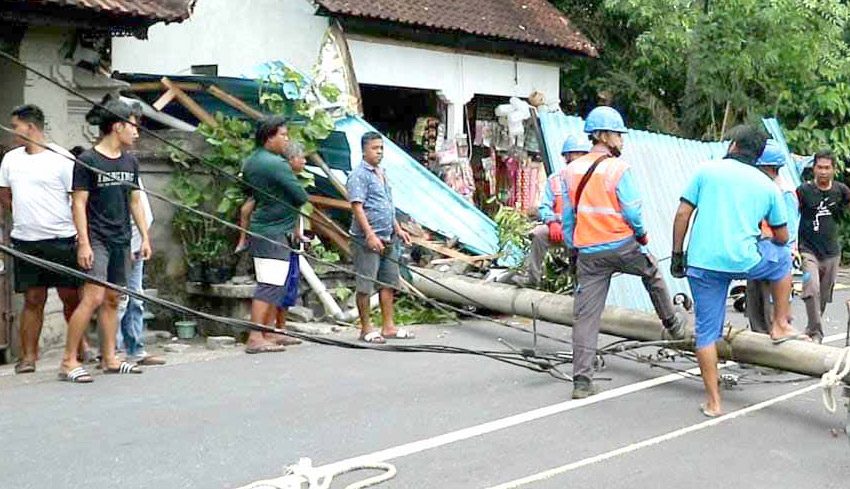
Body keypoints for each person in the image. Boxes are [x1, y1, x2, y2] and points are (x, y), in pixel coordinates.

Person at [671, 124, 808, 417]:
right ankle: (780, 323)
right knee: (782, 259)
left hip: (702, 263)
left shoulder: (706, 170)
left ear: (733, 145)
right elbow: (784, 238)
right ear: (759, 156)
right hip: (743, 261)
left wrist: (677, 254)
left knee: (707, 334)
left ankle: (714, 402)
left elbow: (683, 212)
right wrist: (764, 236)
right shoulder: (767, 187)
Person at [561, 106, 686, 399]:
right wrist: (642, 236)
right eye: (619, 134)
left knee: (586, 316)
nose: (622, 140)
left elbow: (568, 217)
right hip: (621, 245)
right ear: (606, 135)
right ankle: (672, 323)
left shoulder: (570, 171)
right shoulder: (619, 168)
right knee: (652, 273)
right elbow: (632, 211)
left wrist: (573, 248)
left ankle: (581, 381)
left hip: (588, 252)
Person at [59, 99, 152, 383]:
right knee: (93, 297)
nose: (137, 132)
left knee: (113, 298)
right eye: (133, 126)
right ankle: (68, 361)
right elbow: (78, 204)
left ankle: (110, 357)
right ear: (117, 126)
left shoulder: (130, 160)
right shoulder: (88, 160)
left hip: (122, 239)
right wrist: (84, 243)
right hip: (96, 238)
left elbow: (135, 200)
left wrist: (144, 238)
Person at [0, 105, 82, 374]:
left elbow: (76, 200)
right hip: (26, 240)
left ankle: (79, 349)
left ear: (31, 127)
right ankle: (28, 357)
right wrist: (25, 217)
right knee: (33, 299)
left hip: (61, 239)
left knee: (71, 297)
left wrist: (82, 238)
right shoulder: (11, 160)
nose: (14, 132)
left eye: (16, 126)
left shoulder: (62, 158)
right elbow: (5, 195)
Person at [241, 117, 308, 354]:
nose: (286, 140)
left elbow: (248, 193)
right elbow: (300, 196)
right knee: (269, 284)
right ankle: (256, 335)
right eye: (283, 135)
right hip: (274, 230)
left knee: (274, 283)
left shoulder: (251, 161)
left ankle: (268, 331)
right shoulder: (276, 163)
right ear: (270, 136)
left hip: (263, 228)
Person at [348, 132, 413, 344]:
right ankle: (366, 328)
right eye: (375, 148)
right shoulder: (359, 175)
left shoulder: (381, 173)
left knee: (388, 282)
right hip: (367, 239)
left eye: (381, 148)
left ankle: (388, 326)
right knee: (365, 285)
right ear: (364, 150)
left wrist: (398, 229)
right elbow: (357, 206)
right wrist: (369, 234)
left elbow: (387, 206)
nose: (379, 152)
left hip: (388, 237)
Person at [514, 135, 591, 287]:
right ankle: (531, 279)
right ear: (566, 158)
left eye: (580, 155)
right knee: (539, 233)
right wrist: (551, 222)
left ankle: (582, 287)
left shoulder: (592, 180)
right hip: (560, 229)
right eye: (572, 155)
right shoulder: (556, 179)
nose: (575, 159)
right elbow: (544, 207)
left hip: (582, 232)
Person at [746, 140, 800, 334]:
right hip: (758, 253)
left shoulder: (783, 193)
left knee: (774, 311)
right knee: (755, 306)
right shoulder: (760, 190)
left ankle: (777, 356)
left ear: (769, 168)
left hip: (775, 256)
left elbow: (789, 232)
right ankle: (757, 351)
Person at [796, 150, 850, 344]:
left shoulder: (841, 190)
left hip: (832, 252)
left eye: (827, 168)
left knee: (824, 295)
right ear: (814, 168)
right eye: (820, 167)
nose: (823, 171)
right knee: (811, 288)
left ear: (834, 170)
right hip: (808, 249)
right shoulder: (803, 191)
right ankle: (817, 333)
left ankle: (812, 328)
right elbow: (791, 212)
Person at [115, 177, 165, 366]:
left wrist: (142, 241)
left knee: (136, 298)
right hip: (122, 244)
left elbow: (141, 211)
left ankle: (135, 349)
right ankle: (115, 352)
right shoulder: (112, 171)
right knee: (120, 300)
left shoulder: (130, 168)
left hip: (136, 242)